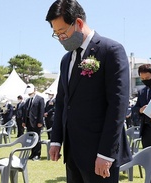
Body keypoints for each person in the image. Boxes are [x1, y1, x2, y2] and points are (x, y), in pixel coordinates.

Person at [46, 0, 132, 182]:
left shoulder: (110, 51)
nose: (61, 38)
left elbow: (118, 105)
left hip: (99, 154)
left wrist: (106, 153)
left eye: (63, 32)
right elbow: (63, 101)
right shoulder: (66, 60)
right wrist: (56, 140)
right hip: (72, 153)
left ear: (78, 23)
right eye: (56, 34)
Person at [132, 64, 151, 148]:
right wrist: (140, 110)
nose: (145, 80)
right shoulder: (141, 92)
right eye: (142, 79)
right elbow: (134, 109)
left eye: (147, 78)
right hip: (146, 132)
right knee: (148, 158)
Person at [22, 83, 44, 161]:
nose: (29, 94)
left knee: (37, 138)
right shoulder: (28, 100)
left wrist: (40, 121)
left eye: (30, 93)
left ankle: (37, 154)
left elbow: (41, 111)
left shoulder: (40, 99)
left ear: (34, 91)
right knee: (30, 139)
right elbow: (25, 111)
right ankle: (32, 153)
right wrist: (24, 121)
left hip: (36, 122)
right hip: (28, 122)